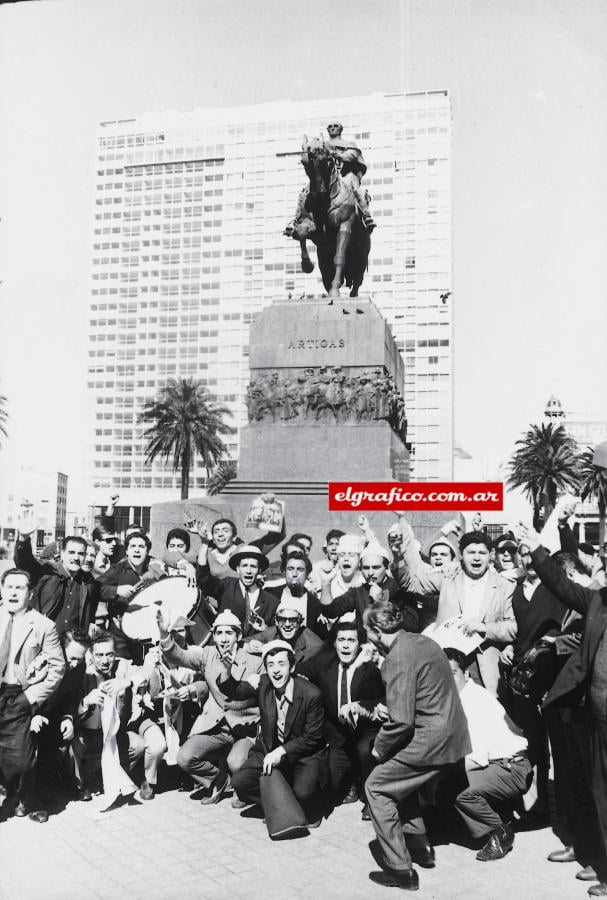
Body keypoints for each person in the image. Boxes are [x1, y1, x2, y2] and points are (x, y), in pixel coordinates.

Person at [516, 522, 607, 898]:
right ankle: (596, 857)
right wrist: (537, 548)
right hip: (596, 715)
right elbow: (563, 586)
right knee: (597, 790)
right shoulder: (599, 599)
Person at [363, 600, 470, 891]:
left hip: (430, 739)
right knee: (400, 780)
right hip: (453, 735)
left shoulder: (398, 658)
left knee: (376, 786)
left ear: (375, 631)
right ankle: (419, 845)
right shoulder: (424, 641)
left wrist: (378, 748)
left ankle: (401, 871)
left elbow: (400, 722)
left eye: (366, 631)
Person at [157, 609, 263, 806]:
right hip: (216, 725)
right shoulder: (208, 654)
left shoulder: (255, 662)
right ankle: (220, 780)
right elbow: (178, 656)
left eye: (229, 633)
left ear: (238, 636)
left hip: (244, 727)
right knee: (185, 757)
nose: (223, 639)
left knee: (236, 762)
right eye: (219, 633)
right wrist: (164, 635)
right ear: (213, 636)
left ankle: (243, 788)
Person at [395, 530, 516, 695]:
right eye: (471, 552)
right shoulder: (448, 576)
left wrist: (484, 627)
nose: (476, 558)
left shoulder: (504, 586)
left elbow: (512, 628)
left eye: (482, 553)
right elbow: (412, 584)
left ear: (491, 555)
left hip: (483, 666)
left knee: (483, 716)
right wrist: (398, 559)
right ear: (461, 554)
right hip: (448, 661)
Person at [228, 640, 327, 830]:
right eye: (270, 665)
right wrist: (228, 668)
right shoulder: (264, 683)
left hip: (304, 755)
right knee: (240, 783)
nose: (276, 670)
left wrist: (282, 751)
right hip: (270, 751)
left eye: (282, 664)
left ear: (292, 666)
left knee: (304, 793)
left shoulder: (311, 694)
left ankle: (307, 807)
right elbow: (236, 692)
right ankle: (278, 805)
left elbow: (312, 738)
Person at [445, 648, 531, 861]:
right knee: (445, 783)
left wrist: (438, 770)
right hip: (496, 765)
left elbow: (477, 757)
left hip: (512, 768)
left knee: (460, 791)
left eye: (452, 673)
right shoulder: (456, 698)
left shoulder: (475, 701)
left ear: (466, 674)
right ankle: (489, 817)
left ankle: (500, 832)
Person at [298, 620, 384, 817]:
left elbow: (389, 695)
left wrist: (365, 709)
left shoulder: (371, 665)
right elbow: (301, 672)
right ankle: (350, 784)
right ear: (335, 643)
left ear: (360, 644)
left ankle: (371, 798)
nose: (345, 645)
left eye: (351, 640)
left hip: (367, 729)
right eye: (341, 640)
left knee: (365, 751)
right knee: (334, 786)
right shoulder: (325, 661)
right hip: (338, 734)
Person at [0, 568, 65, 823]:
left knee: (22, 762)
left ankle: (23, 796)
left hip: (19, 696)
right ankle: (12, 798)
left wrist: (30, 698)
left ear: (30, 593)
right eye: (9, 587)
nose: (14, 592)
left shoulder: (43, 625)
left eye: (20, 588)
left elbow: (58, 667)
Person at [73, 631, 166, 802]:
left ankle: (113, 777)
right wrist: (85, 702)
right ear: (91, 655)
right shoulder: (82, 673)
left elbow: (144, 672)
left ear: (115, 654)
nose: (105, 660)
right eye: (99, 655)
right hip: (88, 731)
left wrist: (126, 681)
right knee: (74, 747)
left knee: (137, 745)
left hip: (115, 732)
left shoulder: (122, 666)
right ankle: (81, 784)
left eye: (109, 654)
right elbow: (70, 709)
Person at [14, 518, 99, 637]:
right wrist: (23, 539)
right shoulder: (47, 571)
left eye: (80, 554)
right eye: (71, 552)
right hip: (43, 642)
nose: (76, 557)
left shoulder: (88, 582)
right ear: (62, 554)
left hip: (72, 648)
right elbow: (25, 562)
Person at [319, 542, 419, 634]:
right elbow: (330, 612)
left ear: (386, 567)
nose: (370, 573)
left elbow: (412, 625)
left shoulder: (401, 589)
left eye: (376, 567)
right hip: (365, 649)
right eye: (366, 568)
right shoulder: (359, 591)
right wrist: (325, 583)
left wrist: (381, 603)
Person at [96, 532, 164, 661]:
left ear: (147, 551)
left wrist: (187, 566)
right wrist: (116, 590)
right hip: (121, 636)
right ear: (127, 551)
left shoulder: (154, 567)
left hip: (149, 633)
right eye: (133, 546)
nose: (137, 550)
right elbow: (94, 588)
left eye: (141, 546)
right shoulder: (117, 570)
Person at [199, 544, 279, 638]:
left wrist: (265, 629)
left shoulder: (272, 602)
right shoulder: (226, 586)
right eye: (244, 566)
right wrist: (204, 544)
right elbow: (204, 580)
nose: (248, 571)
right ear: (237, 569)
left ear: (259, 570)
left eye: (253, 566)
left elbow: (277, 632)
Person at [251, 601, 323, 670]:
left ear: (301, 621)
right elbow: (243, 643)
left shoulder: (315, 647)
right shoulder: (270, 632)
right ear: (276, 621)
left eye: (293, 620)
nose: (287, 624)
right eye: (282, 619)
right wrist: (249, 647)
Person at [266, 550, 322, 633]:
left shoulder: (315, 604)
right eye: (290, 569)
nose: (294, 574)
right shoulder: (270, 595)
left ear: (307, 574)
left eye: (300, 569)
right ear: (284, 572)